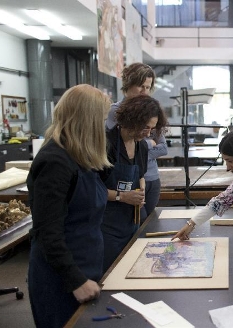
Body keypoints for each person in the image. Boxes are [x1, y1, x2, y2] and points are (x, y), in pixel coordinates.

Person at [27, 84, 112, 327]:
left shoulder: (80, 157)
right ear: (89, 121)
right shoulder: (54, 162)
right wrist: (74, 280)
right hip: (61, 278)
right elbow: (48, 232)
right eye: (102, 120)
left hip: (86, 265)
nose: (105, 128)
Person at [101, 94, 168, 273]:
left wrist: (142, 187)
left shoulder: (142, 147)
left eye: (152, 129)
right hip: (106, 227)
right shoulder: (105, 144)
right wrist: (122, 196)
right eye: (145, 128)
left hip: (130, 223)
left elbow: (140, 175)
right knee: (110, 274)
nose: (148, 134)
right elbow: (92, 189)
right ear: (132, 119)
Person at [105, 62, 168, 218]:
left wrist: (143, 146)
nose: (144, 92)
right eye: (141, 86)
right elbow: (114, 146)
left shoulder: (151, 111)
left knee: (145, 223)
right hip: (120, 186)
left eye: (148, 87)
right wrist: (147, 143)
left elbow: (162, 147)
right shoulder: (114, 112)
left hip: (148, 177)